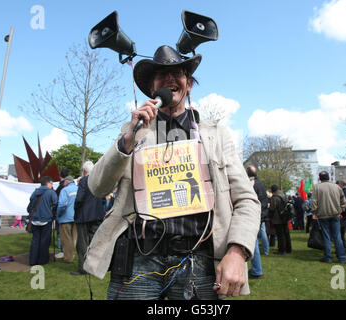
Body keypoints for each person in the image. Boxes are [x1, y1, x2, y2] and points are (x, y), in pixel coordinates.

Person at [82, 45, 260, 300]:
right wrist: (127, 140)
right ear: (153, 88)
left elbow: (247, 201)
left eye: (178, 72)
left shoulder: (215, 134)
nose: (170, 78)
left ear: (188, 85)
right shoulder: (133, 131)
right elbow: (97, 187)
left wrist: (237, 251)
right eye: (161, 74)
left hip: (199, 262)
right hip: (138, 261)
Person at [71, 161, 106, 275]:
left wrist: (76, 210)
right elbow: (103, 199)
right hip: (97, 215)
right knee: (94, 242)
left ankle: (83, 268)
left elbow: (79, 198)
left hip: (84, 216)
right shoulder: (99, 180)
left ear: (84, 171)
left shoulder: (84, 181)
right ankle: (94, 267)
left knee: (82, 243)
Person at [311, 171, 346, 264]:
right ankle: (342, 257)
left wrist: (314, 212)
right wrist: (341, 210)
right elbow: (343, 200)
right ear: (329, 178)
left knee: (326, 236)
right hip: (335, 214)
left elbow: (314, 202)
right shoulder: (336, 187)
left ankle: (328, 256)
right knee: (337, 236)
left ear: (319, 178)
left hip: (323, 215)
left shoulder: (317, 188)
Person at [27, 176, 58, 266]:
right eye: (51, 183)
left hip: (35, 219)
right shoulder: (51, 193)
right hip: (46, 219)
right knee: (45, 241)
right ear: (48, 183)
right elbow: (56, 204)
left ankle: (33, 260)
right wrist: (53, 214)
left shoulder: (35, 192)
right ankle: (43, 260)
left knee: (35, 241)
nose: (52, 185)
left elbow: (30, 206)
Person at [246, 165, 269, 279]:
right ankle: (257, 267)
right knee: (258, 238)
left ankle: (257, 270)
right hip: (259, 216)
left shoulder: (252, 184)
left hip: (254, 216)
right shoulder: (260, 184)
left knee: (253, 243)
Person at [56, 176, 78, 264]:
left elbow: (62, 205)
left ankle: (68, 258)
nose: (63, 183)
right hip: (76, 218)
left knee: (66, 239)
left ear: (67, 181)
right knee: (74, 239)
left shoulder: (64, 190)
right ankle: (72, 255)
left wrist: (58, 215)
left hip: (65, 218)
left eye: (64, 181)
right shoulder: (78, 189)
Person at [268, 185, 291, 255]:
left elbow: (272, 208)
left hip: (278, 218)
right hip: (285, 216)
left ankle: (282, 250)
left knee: (280, 235)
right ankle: (288, 248)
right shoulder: (284, 196)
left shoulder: (275, 197)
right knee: (286, 233)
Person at [54, 168, 70, 258]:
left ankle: (62, 250)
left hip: (62, 213)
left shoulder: (61, 187)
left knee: (60, 233)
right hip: (70, 213)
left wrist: (57, 213)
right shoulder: (70, 187)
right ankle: (67, 250)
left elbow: (60, 203)